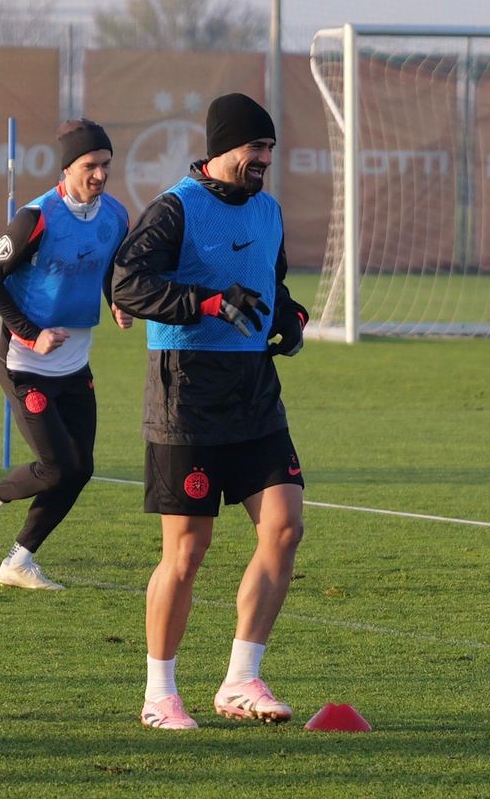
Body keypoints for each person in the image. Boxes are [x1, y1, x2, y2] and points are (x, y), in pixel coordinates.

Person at [111, 93, 309, 730]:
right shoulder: (176, 207)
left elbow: (270, 284)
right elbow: (127, 283)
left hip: (255, 390)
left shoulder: (270, 210)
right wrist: (207, 302)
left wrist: (289, 320)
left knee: (283, 527)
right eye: (256, 150)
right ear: (223, 147)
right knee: (187, 550)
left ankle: (241, 679)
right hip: (186, 392)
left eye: (271, 151)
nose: (264, 162)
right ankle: (159, 693)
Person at [0, 119, 132, 591]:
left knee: (80, 468)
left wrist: (115, 301)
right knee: (55, 466)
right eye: (89, 166)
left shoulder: (116, 215)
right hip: (23, 363)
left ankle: (19, 560)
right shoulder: (35, 217)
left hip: (75, 363)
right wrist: (31, 333)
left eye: (105, 165)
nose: (99, 175)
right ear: (66, 168)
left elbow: (106, 269)